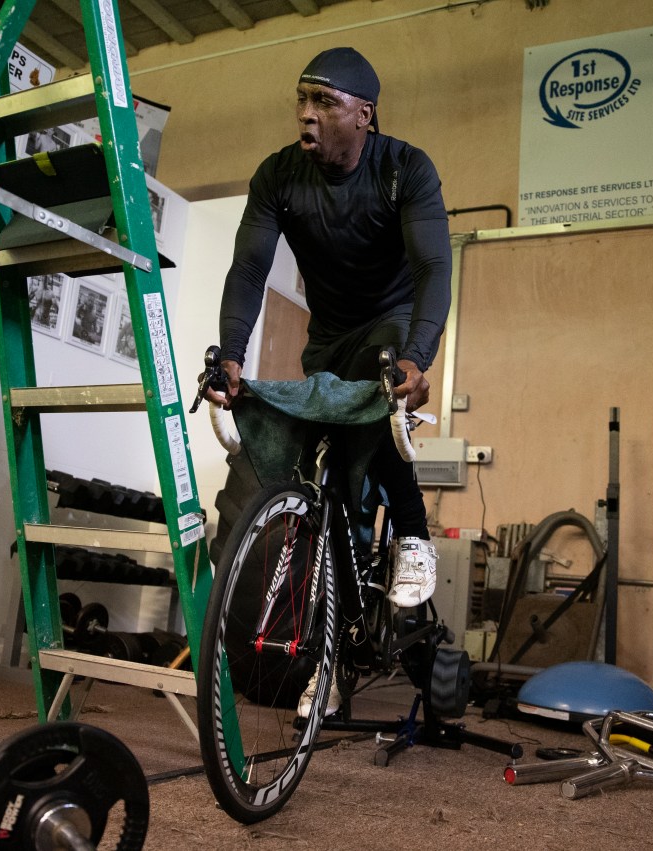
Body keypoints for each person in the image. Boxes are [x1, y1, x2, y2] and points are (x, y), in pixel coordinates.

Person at [205, 47, 452, 715]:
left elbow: (433, 266)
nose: (306, 116)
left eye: (323, 103)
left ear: (363, 115)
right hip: (328, 335)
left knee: (378, 398)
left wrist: (419, 357)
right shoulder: (279, 175)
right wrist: (230, 353)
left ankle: (412, 538)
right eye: (301, 100)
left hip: (391, 321)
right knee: (327, 484)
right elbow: (250, 268)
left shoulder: (405, 169)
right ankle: (333, 651)